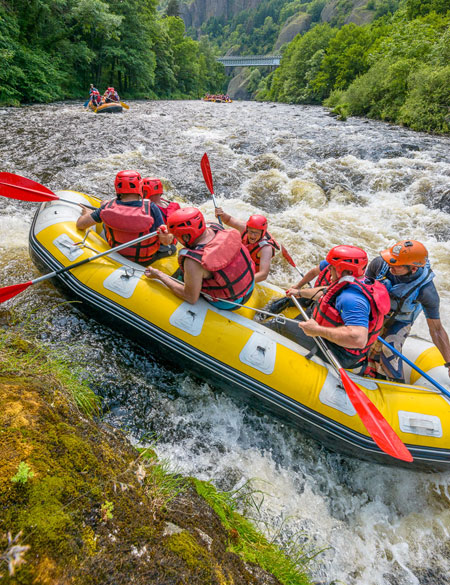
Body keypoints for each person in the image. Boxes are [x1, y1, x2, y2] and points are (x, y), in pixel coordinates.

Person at [264, 245, 391, 372]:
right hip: (335, 338)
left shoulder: (351, 299)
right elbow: (326, 292)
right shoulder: (356, 281)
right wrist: (300, 292)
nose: (328, 268)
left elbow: (358, 339)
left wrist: (318, 330)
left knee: (278, 324)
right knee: (305, 316)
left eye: (333, 267)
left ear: (345, 270)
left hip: (340, 352)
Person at [366, 239, 450, 382]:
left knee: (389, 352)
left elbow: (436, 330)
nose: (390, 266)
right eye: (390, 261)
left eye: (396, 265)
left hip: (400, 320)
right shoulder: (379, 264)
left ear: (413, 268)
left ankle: (396, 385)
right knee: (360, 341)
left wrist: (449, 363)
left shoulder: (426, 291)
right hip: (375, 311)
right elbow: (362, 287)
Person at [144, 207, 255, 309]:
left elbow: (191, 298)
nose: (176, 239)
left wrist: (159, 275)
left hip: (230, 302)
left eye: (177, 237)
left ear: (186, 237)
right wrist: (171, 231)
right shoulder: (215, 226)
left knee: (183, 272)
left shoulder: (193, 262)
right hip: (249, 287)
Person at [76, 170, 175, 265]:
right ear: (140, 187)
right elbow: (166, 242)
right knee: (173, 248)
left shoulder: (108, 206)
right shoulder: (151, 208)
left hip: (117, 253)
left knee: (104, 220)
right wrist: (167, 235)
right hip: (146, 260)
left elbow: (80, 224)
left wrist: (88, 213)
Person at [215, 208, 280, 283]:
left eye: (256, 233)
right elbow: (229, 220)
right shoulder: (244, 228)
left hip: (251, 273)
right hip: (242, 262)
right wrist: (222, 214)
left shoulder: (266, 249)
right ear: (247, 228)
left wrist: (242, 281)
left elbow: (263, 274)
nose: (252, 235)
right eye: (251, 231)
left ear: (262, 233)